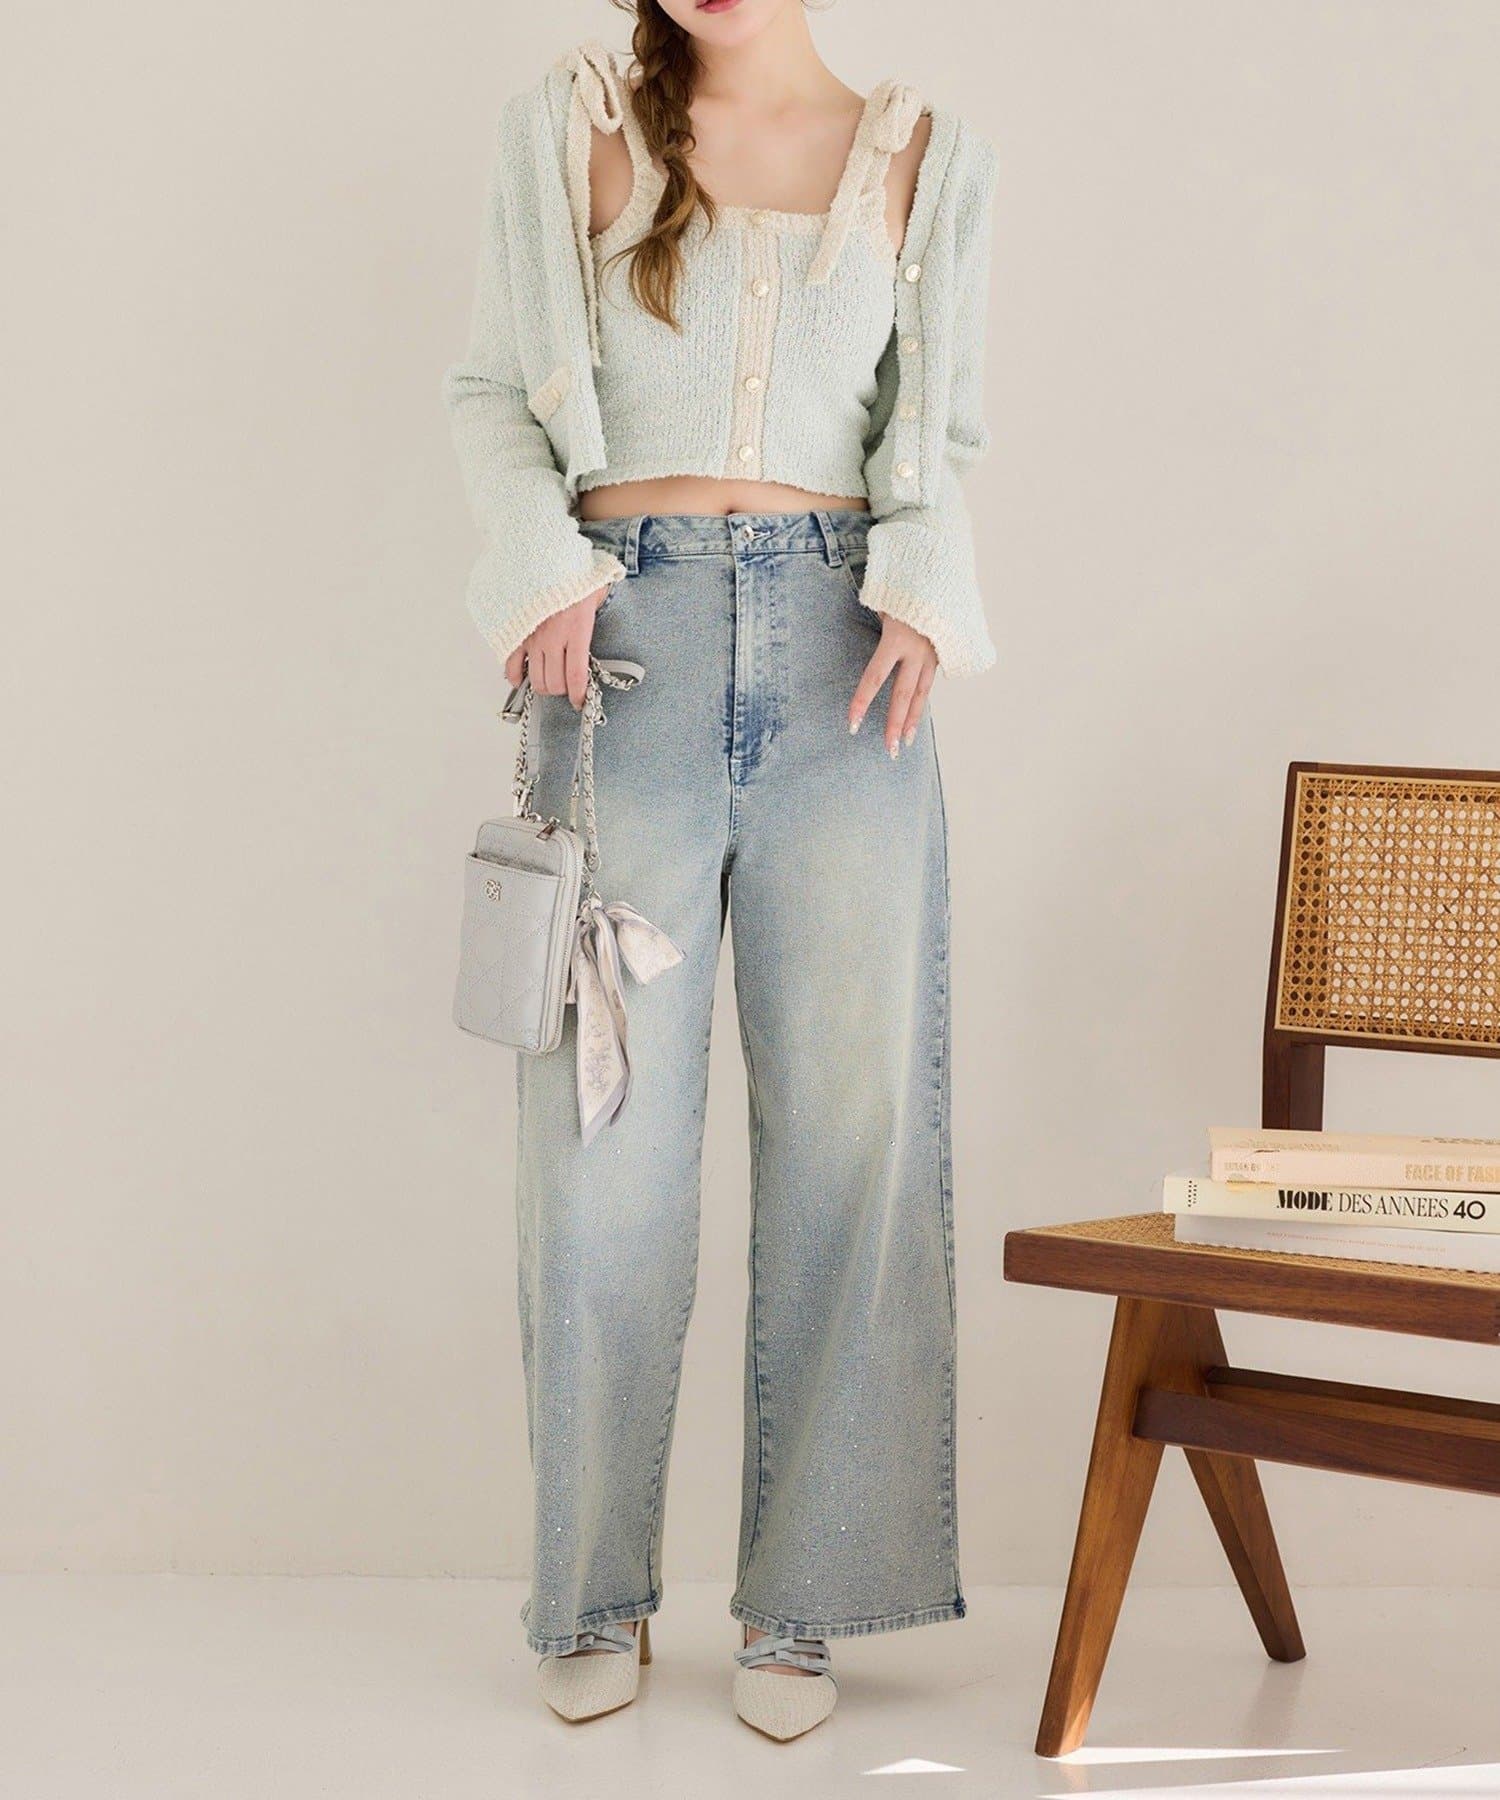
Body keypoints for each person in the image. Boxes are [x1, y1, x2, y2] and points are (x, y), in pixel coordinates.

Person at [442, 0, 1000, 1741]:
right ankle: (589, 1589)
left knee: (853, 1138)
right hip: (624, 659)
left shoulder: (924, 154)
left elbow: (941, 433)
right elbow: (491, 394)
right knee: (598, 1151)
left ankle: (804, 1604)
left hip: (852, 673)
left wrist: (922, 595)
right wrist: (542, 569)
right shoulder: (571, 125)